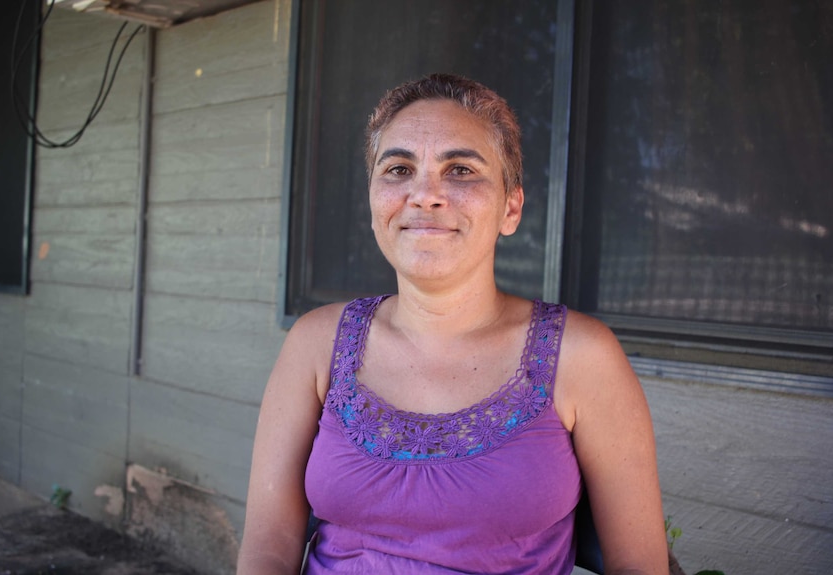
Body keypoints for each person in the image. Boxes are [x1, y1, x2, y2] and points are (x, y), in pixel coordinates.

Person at [237, 73, 669, 575]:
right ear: (374, 202)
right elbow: (269, 547)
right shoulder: (317, 343)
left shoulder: (582, 355)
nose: (425, 195)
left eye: (461, 169)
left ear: (511, 207)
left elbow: (639, 566)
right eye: (398, 169)